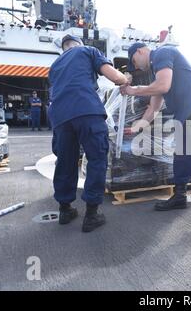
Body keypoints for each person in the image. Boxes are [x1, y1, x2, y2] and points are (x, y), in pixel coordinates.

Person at [121, 43, 191, 223]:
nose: (136, 67)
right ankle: (180, 195)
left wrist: (134, 90)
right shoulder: (157, 71)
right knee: (183, 155)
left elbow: (163, 86)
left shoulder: (163, 52)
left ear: (140, 51)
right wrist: (138, 126)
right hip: (185, 111)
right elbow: (155, 106)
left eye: (134, 61)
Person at [48, 34, 129, 233]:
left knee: (65, 161)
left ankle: (65, 210)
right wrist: (126, 78)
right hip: (86, 110)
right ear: (78, 45)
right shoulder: (88, 51)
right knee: (96, 158)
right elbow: (114, 76)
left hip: (59, 116)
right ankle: (92, 214)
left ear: (64, 48)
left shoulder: (55, 65)